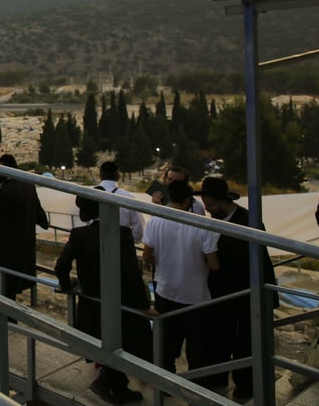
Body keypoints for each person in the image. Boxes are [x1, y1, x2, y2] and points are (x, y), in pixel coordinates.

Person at [54, 195, 150, 404]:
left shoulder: (79, 234)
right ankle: (114, 386)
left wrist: (66, 283)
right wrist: (143, 304)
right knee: (124, 343)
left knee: (105, 344)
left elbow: (61, 266)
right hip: (121, 302)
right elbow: (132, 273)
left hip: (92, 302)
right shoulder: (122, 233)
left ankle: (112, 384)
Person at [196, 176, 276, 401]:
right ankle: (217, 379)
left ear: (222, 201)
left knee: (244, 344)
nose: (208, 210)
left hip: (244, 296)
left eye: (210, 205)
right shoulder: (216, 220)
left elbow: (254, 264)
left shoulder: (249, 222)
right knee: (219, 340)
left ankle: (245, 387)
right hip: (221, 297)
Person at [141, 180, 219, 383]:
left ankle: (165, 382)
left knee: (166, 342)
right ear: (187, 201)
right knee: (197, 345)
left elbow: (147, 256)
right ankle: (197, 385)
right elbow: (213, 265)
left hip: (165, 290)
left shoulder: (156, 221)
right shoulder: (201, 225)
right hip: (196, 295)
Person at [0, 154, 50, 301]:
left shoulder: (3, 191)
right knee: (10, 293)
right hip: (20, 251)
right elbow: (39, 214)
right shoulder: (28, 186)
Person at [95, 161, 144, 243]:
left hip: (95, 244)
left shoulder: (89, 194)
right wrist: (133, 240)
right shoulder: (128, 198)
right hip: (121, 246)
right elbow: (139, 228)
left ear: (100, 175)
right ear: (118, 176)